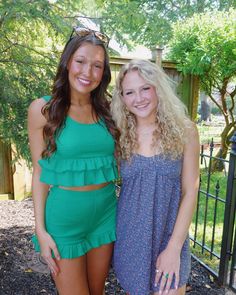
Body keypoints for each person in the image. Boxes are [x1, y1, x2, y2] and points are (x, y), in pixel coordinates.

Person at [28, 27, 119, 295]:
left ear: (103, 73)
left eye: (97, 66)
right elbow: (38, 172)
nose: (87, 72)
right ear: (68, 61)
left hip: (105, 213)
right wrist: (41, 231)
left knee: (97, 291)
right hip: (64, 220)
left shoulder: (109, 112)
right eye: (81, 61)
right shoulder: (43, 110)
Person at [111, 59, 200, 295]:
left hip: (170, 235)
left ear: (157, 87)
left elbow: (191, 190)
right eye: (129, 92)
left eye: (145, 88)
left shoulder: (185, 131)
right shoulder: (118, 135)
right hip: (131, 237)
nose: (138, 98)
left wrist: (173, 247)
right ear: (122, 98)